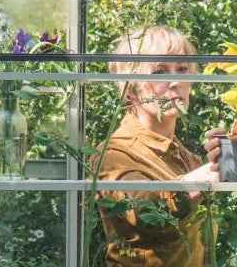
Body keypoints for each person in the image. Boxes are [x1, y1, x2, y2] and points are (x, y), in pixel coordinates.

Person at [93, 25, 225, 267]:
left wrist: (231, 155)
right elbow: (146, 211)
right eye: (158, 72)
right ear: (129, 91)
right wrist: (211, 172)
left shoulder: (184, 157)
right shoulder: (113, 153)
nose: (175, 81)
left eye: (182, 69)